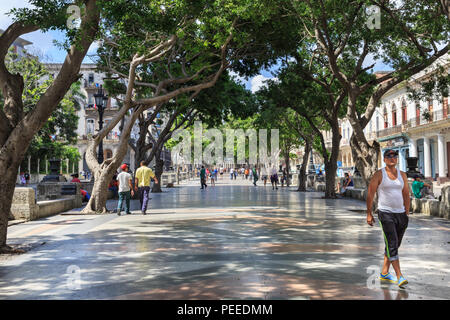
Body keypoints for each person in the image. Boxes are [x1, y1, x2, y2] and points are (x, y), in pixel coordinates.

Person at [366, 149, 410, 288]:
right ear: (384, 159)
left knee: (394, 244)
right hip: (385, 213)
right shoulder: (379, 174)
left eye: (394, 156)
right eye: (389, 156)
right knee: (392, 242)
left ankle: (384, 273)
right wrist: (369, 213)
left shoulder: (402, 175)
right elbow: (370, 194)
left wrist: (406, 213)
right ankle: (399, 276)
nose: (392, 158)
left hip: (401, 214)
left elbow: (406, 194)